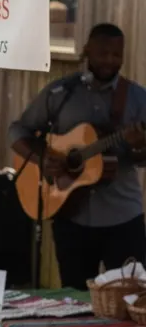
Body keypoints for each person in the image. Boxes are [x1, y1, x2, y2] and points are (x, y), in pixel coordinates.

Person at [9, 23, 146, 287]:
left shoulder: (137, 99)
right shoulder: (61, 93)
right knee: (74, 298)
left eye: (116, 55)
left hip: (123, 217)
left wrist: (139, 145)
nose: (109, 61)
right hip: (71, 214)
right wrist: (43, 158)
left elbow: (142, 158)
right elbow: (18, 130)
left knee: (132, 296)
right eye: (103, 53)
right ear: (87, 52)